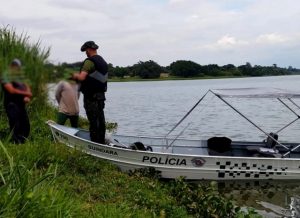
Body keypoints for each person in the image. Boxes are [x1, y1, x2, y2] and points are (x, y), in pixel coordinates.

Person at [72, 41, 108, 144]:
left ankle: (95, 145)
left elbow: (82, 77)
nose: (85, 53)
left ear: (89, 49)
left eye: (85, 51)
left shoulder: (89, 62)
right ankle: (101, 142)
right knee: (101, 121)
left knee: (93, 122)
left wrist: (72, 75)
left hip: (91, 97)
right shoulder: (103, 62)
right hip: (101, 97)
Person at [1, 59, 32, 144]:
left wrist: (27, 96)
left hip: (21, 104)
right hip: (11, 104)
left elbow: (27, 86)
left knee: (26, 124)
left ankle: (23, 141)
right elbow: (11, 90)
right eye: (14, 66)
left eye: (17, 66)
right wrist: (26, 93)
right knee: (15, 124)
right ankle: (15, 142)